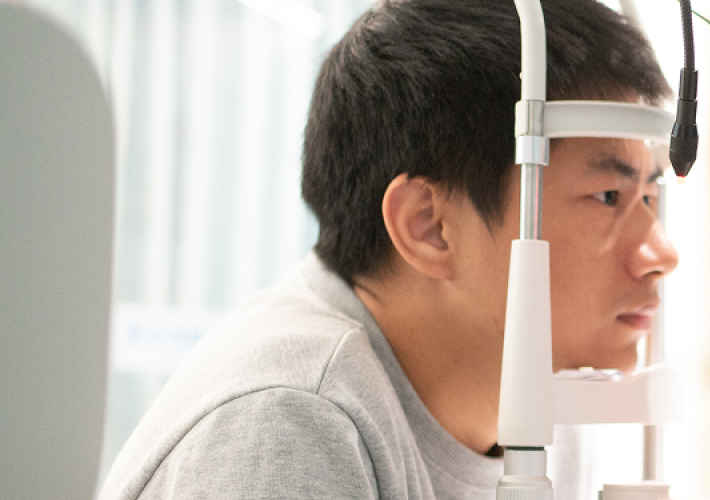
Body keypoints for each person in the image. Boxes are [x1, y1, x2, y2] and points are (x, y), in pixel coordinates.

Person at [98, 0, 678, 498]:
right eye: (608, 195)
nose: (661, 253)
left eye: (650, 197)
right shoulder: (293, 421)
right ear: (428, 226)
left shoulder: (544, 407)